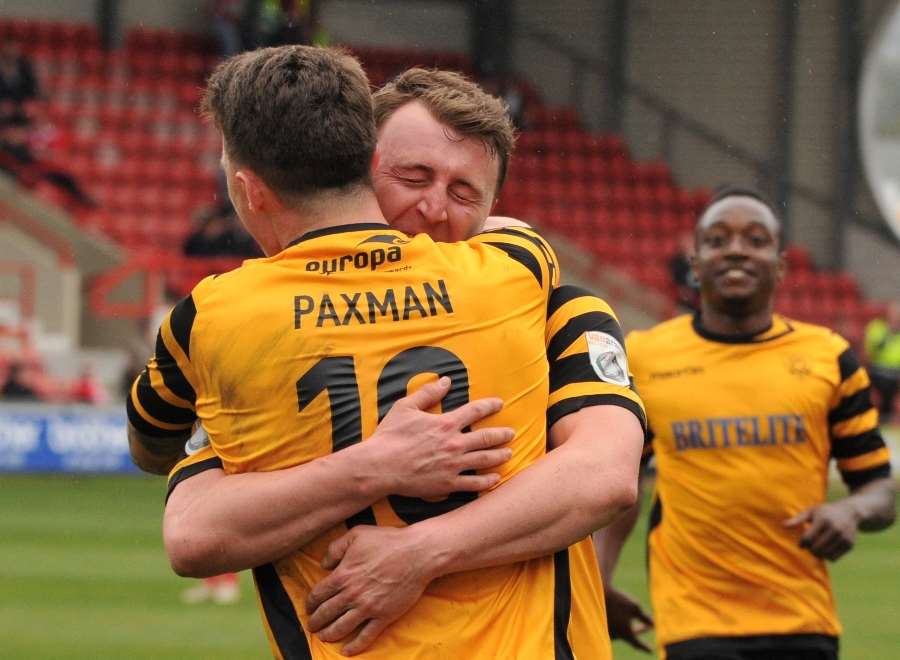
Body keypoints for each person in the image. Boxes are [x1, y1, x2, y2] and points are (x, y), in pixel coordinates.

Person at [127, 48, 644, 659]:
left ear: (491, 209)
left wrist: (420, 553)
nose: (432, 209)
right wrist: (375, 465)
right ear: (360, 165)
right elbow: (194, 534)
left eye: (463, 192)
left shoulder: (220, 320)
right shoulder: (518, 274)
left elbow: (604, 476)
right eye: (413, 177)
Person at [598, 186, 896, 660]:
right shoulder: (643, 357)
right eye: (718, 239)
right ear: (695, 264)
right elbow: (620, 480)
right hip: (694, 622)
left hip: (803, 620)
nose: (736, 248)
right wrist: (598, 584)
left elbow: (880, 489)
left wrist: (850, 511)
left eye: (755, 239)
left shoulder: (829, 358)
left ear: (780, 265)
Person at [864, 301, 900, 422]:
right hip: (877, 374)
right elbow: (869, 353)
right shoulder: (877, 328)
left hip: (896, 377)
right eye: (895, 315)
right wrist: (889, 333)